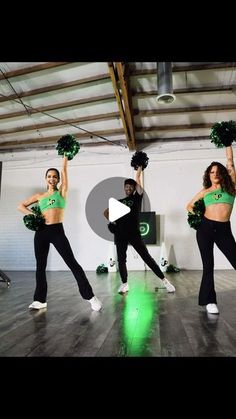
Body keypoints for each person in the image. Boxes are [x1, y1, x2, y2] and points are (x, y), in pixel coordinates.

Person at [17, 155, 102, 312]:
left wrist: (64, 157)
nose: (52, 179)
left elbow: (64, 170)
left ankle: (90, 297)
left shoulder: (62, 192)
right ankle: (40, 300)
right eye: (49, 176)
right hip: (41, 232)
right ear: (45, 179)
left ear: (57, 180)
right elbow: (21, 206)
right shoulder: (39, 196)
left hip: (56, 231)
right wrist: (34, 215)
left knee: (72, 263)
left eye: (54, 177)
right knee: (40, 266)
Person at [104, 166, 175, 294]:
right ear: (124, 188)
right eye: (127, 186)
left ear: (134, 188)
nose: (129, 188)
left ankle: (165, 281)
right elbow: (112, 220)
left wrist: (138, 172)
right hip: (120, 235)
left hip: (134, 233)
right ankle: (125, 284)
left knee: (146, 257)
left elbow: (140, 186)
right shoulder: (118, 202)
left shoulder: (136, 199)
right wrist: (111, 225)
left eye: (131, 186)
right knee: (121, 259)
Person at [186, 145, 236, 314]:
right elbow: (189, 205)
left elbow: (230, 162)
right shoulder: (205, 191)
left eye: (217, 171)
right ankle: (210, 301)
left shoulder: (231, 187)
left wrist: (227, 143)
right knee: (208, 266)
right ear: (208, 175)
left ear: (223, 174)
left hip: (223, 229)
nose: (215, 174)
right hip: (205, 228)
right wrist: (199, 216)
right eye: (211, 172)